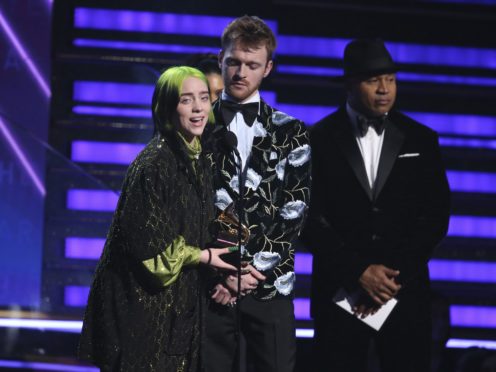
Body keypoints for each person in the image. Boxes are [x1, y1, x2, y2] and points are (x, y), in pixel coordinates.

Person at [302, 38, 451, 372]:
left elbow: (436, 215)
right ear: (350, 84)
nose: (385, 89)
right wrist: (357, 272)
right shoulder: (319, 139)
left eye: (391, 80)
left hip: (405, 293)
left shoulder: (422, 139)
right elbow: (307, 216)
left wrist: (391, 277)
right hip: (339, 292)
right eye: (373, 80)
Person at [78, 66, 237, 372]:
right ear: (166, 107)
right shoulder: (153, 165)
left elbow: (208, 222)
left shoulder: (199, 158)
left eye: (203, 98)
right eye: (186, 100)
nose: (198, 108)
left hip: (178, 310)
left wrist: (244, 253)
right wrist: (204, 256)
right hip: (141, 310)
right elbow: (152, 253)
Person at [201, 15, 311, 372]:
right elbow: (189, 206)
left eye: (252, 65)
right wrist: (225, 275)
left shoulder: (291, 132)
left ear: (268, 68)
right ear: (221, 60)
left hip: (270, 288)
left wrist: (248, 275)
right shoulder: (197, 127)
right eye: (233, 62)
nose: (240, 72)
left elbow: (293, 212)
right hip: (210, 287)